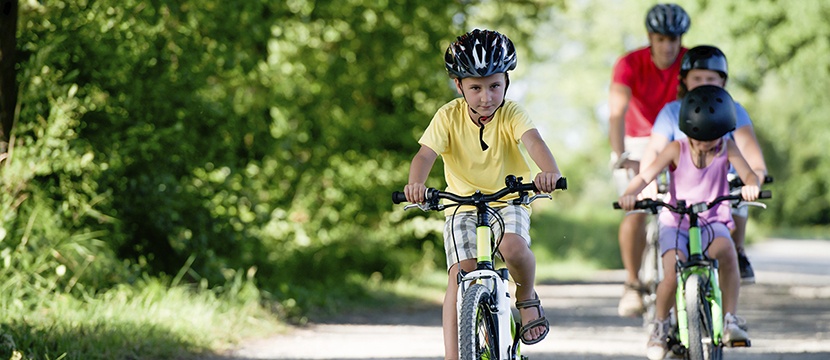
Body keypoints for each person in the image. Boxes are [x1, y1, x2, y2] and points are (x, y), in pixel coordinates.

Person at [403, 29, 562, 359]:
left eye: (494, 86)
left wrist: (549, 172)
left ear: (507, 81)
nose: (486, 97)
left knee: (513, 248)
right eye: (475, 87)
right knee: (459, 275)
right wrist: (416, 183)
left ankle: (527, 296)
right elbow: (424, 156)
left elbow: (534, 142)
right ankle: (453, 354)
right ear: (459, 85)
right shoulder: (448, 116)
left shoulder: (511, 114)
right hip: (461, 205)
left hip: (508, 199)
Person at [618, 85, 759, 360]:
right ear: (687, 131)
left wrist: (750, 186)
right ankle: (659, 327)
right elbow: (646, 175)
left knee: (728, 254)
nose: (706, 145)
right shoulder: (676, 148)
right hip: (676, 222)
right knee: (671, 273)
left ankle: (730, 319)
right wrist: (629, 194)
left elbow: (749, 174)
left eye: (713, 138)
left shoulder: (727, 147)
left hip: (713, 219)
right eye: (699, 139)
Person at [641, 45, 768, 284]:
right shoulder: (671, 112)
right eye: (697, 78)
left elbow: (753, 158)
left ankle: (737, 251)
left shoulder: (735, 111)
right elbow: (654, 151)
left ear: (722, 81)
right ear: (685, 81)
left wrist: (755, 179)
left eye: (710, 78)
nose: (703, 83)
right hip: (684, 185)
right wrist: (649, 183)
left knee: (737, 200)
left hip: (722, 184)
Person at [608, 3, 691, 317]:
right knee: (637, 207)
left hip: (679, 137)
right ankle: (632, 283)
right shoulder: (629, 63)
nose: (668, 46)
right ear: (650, 37)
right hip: (638, 142)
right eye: (661, 39)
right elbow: (616, 115)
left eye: (674, 39)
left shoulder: (689, 61)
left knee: (689, 204)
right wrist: (622, 156)